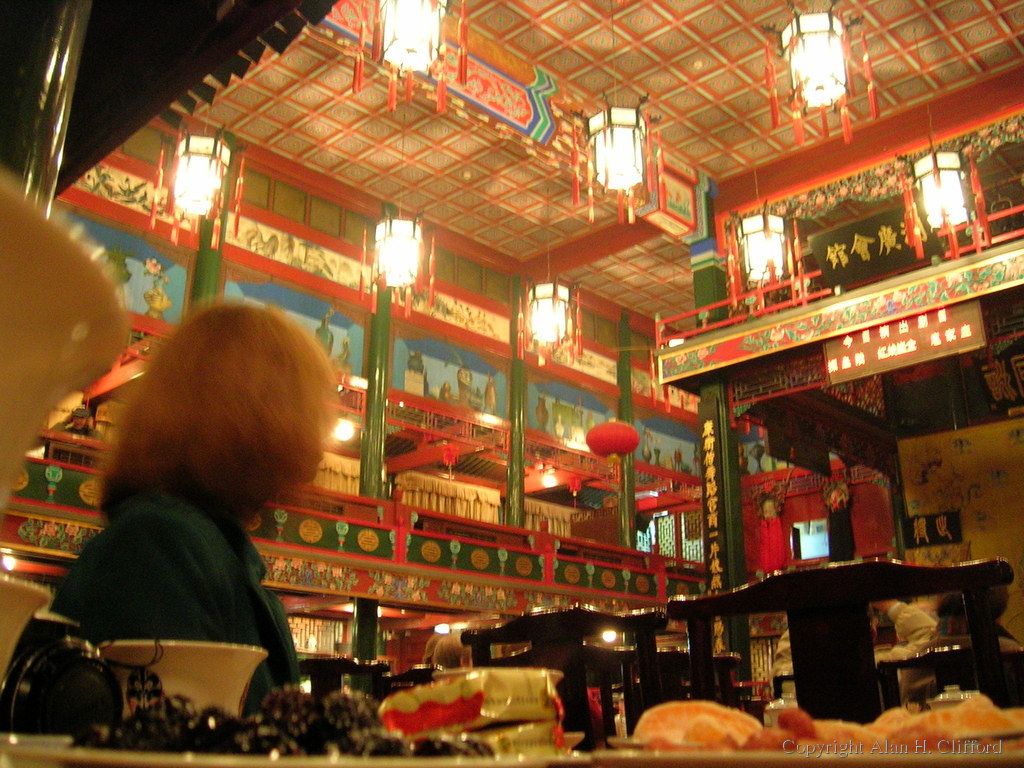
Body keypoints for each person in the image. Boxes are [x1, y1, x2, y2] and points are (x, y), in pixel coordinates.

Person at [51, 302, 337, 714]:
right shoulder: (160, 545)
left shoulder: (211, 551)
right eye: (309, 402)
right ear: (253, 408)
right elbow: (168, 736)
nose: (322, 428)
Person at [771, 599, 938, 706]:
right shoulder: (888, 664)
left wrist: (807, 620)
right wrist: (890, 605)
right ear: (872, 632)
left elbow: (784, 659)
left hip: (812, 748)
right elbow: (931, 635)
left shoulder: (795, 674)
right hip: (877, 746)